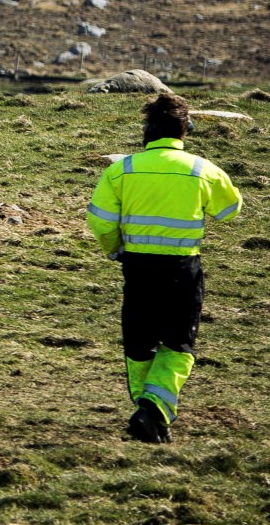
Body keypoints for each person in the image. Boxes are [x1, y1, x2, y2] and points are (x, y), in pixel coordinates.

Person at [85, 94, 242, 443]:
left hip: (137, 267)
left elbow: (100, 222)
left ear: (147, 131)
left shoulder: (121, 170)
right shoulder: (202, 169)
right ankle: (153, 410)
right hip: (182, 269)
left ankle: (150, 414)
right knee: (178, 344)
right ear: (185, 129)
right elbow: (231, 209)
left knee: (139, 346)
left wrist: (115, 251)